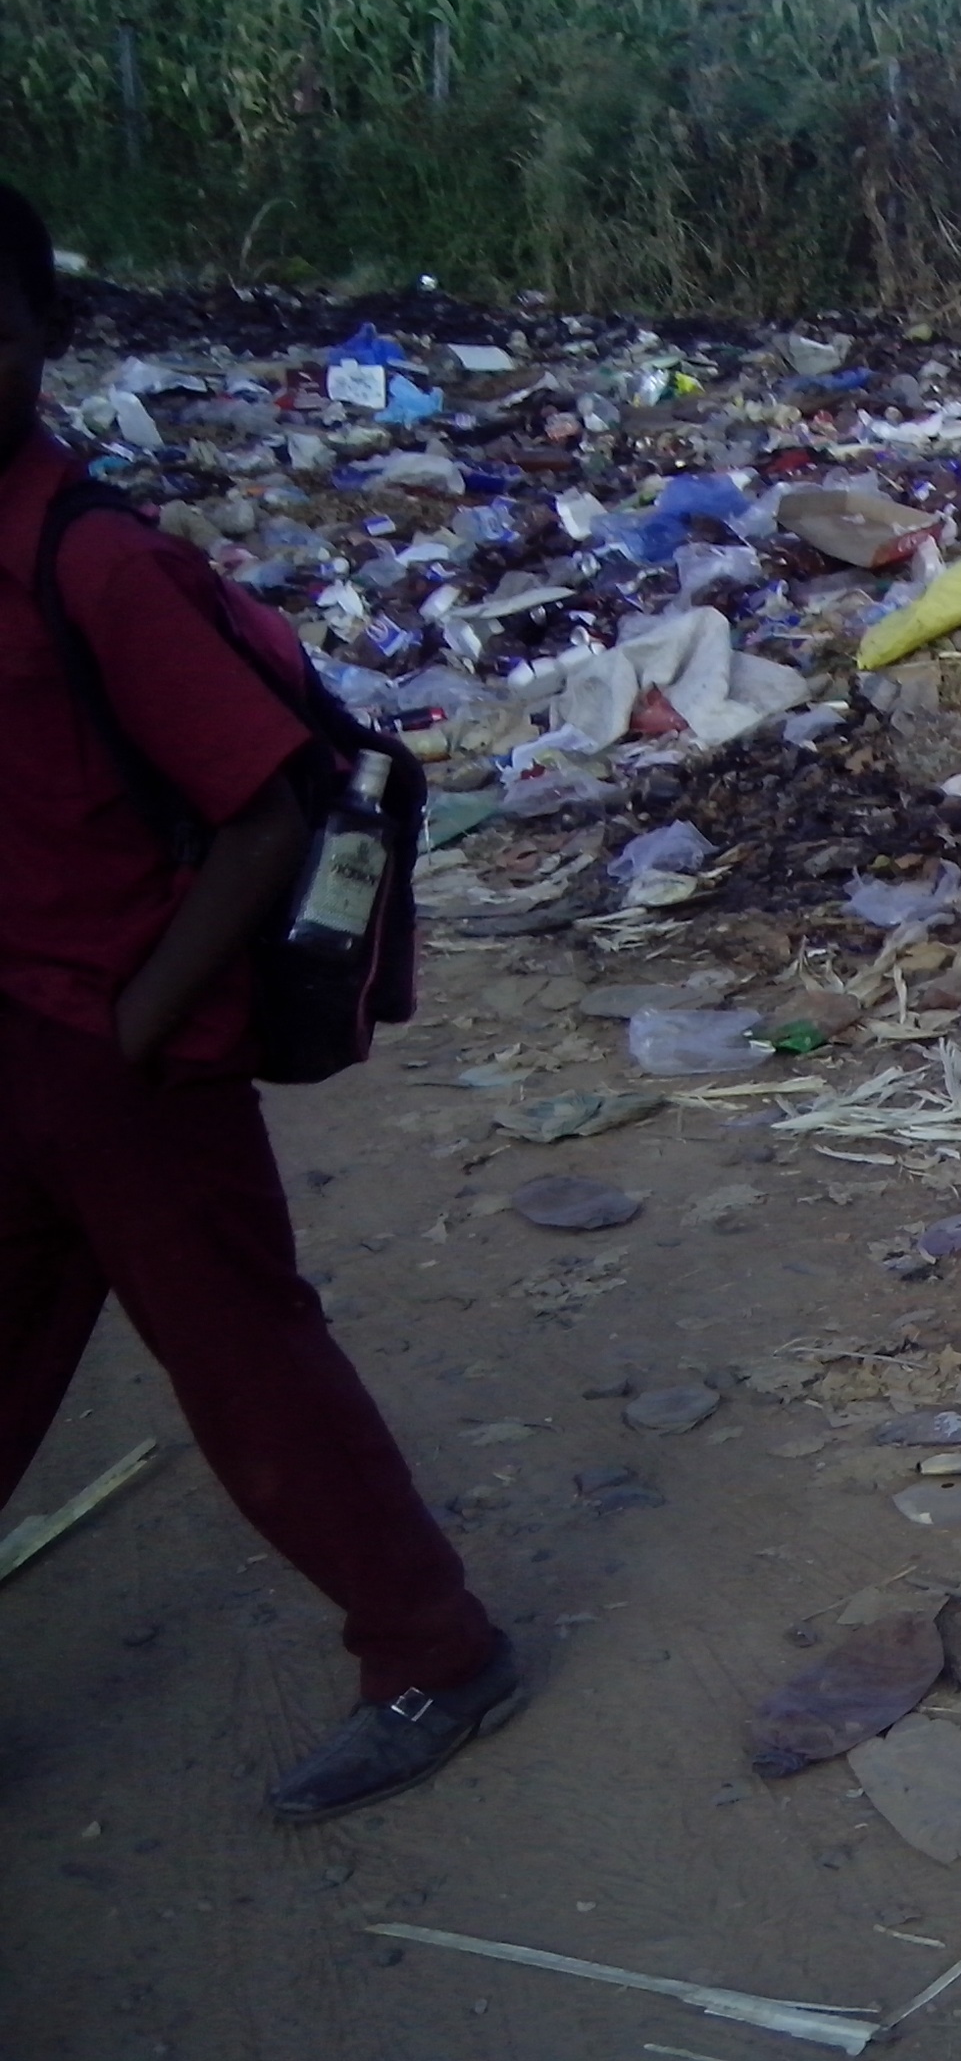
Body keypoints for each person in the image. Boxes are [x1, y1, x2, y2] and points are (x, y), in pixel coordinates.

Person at [0, 182, 521, 1822]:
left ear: (53, 338)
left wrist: (135, 1025)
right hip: (20, 1031)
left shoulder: (97, 564)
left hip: (117, 1049)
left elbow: (275, 807)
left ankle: (434, 1645)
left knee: (245, 1361)